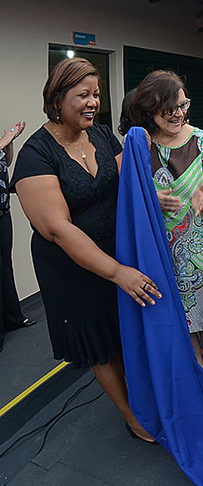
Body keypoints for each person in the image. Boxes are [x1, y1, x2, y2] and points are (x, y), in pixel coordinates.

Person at [11, 58, 162, 443]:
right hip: (72, 270)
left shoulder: (101, 136)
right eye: (83, 95)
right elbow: (58, 229)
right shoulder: (36, 155)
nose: (93, 102)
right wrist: (116, 272)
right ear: (58, 98)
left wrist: (155, 196)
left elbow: (125, 183)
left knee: (124, 331)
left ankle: (146, 395)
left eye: (96, 94)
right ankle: (132, 415)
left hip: (117, 251)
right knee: (100, 345)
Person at [128, 70, 203, 399]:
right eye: (167, 109)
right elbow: (127, 188)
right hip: (161, 245)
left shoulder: (202, 139)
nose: (177, 114)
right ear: (149, 110)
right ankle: (197, 365)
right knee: (178, 308)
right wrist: (148, 194)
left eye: (182, 106)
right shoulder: (140, 144)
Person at [0, 120, 33, 352]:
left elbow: (6, 163)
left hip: (3, 211)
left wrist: (8, 144)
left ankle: (13, 318)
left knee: (5, 265)